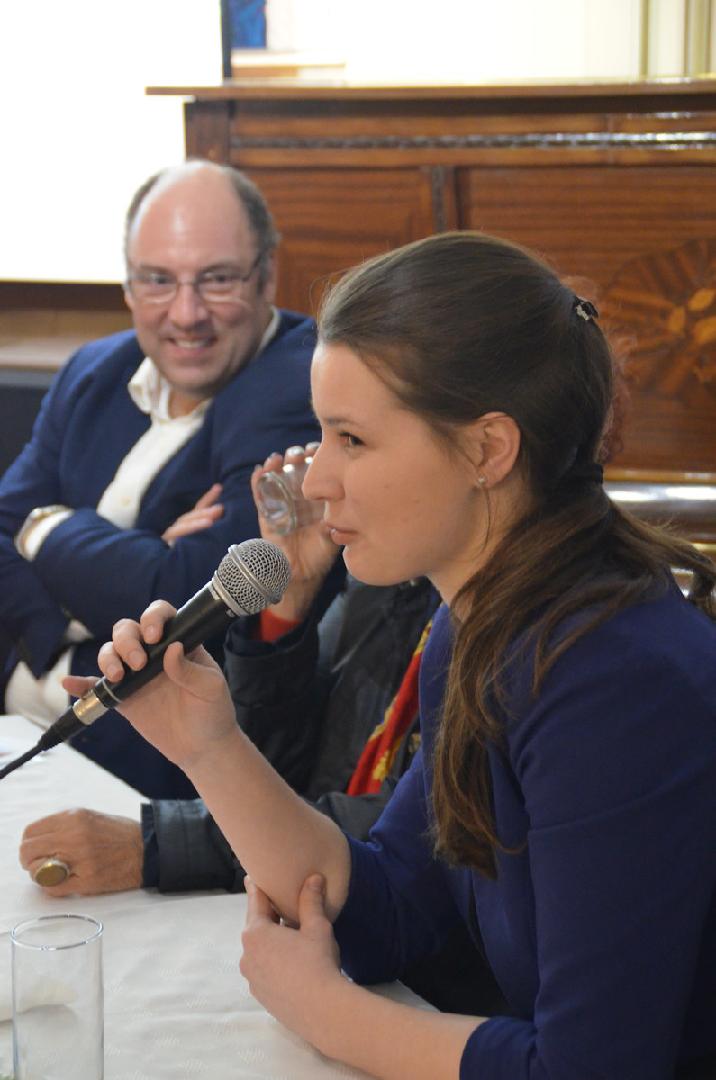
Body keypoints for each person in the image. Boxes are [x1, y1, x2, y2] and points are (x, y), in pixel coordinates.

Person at [68, 232, 716, 1079]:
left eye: (353, 440)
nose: (315, 483)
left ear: (487, 449)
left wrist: (329, 1013)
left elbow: (592, 1067)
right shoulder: (475, 624)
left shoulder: (615, 681)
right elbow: (392, 904)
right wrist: (207, 746)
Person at [0, 160, 319, 796]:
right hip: (15, 730)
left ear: (267, 276)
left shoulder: (299, 387)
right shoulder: (94, 369)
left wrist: (45, 532)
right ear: (128, 285)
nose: (186, 313)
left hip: (139, 775)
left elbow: (197, 597)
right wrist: (127, 565)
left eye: (217, 279)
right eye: (158, 280)